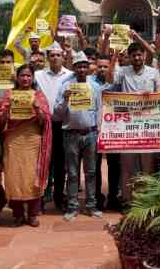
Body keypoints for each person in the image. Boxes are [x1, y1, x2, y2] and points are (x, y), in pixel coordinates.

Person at [0, 64, 51, 228]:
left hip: (32, 140)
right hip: (13, 140)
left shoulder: (38, 95)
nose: (25, 78)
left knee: (32, 176)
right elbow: (0, 121)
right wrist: (6, 110)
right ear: (17, 77)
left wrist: (37, 109)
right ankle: (18, 214)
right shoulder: (9, 94)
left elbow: (45, 121)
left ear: (33, 78)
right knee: (14, 176)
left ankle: (33, 213)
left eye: (28, 75)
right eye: (22, 75)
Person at [54, 52, 103, 221]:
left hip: (90, 134)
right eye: (79, 66)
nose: (82, 69)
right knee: (73, 173)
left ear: (88, 68)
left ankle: (91, 205)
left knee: (91, 172)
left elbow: (99, 111)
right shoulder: (65, 86)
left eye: (84, 66)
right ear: (74, 68)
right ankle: (72, 206)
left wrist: (98, 132)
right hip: (71, 135)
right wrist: (65, 100)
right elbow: (57, 114)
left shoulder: (95, 86)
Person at [112, 41, 160, 202]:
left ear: (144, 56)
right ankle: (127, 201)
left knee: (147, 166)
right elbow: (109, 80)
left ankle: (145, 202)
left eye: (140, 55)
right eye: (134, 55)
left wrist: (152, 95)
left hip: (148, 125)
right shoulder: (122, 71)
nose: (137, 58)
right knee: (127, 166)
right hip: (127, 126)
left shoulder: (154, 72)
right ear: (130, 57)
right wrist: (114, 57)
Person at [34, 42, 73, 211]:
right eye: (52, 55)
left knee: (61, 164)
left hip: (63, 124)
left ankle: (58, 197)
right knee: (43, 163)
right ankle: (41, 198)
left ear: (63, 56)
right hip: (43, 124)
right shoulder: (38, 75)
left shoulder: (71, 75)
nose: (55, 58)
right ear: (47, 58)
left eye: (58, 55)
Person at [91, 53, 121, 211]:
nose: (102, 69)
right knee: (94, 166)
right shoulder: (88, 83)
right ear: (95, 67)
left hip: (114, 132)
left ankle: (113, 197)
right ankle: (97, 198)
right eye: (100, 66)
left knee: (114, 165)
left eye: (105, 66)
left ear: (110, 67)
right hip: (94, 131)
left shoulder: (116, 84)